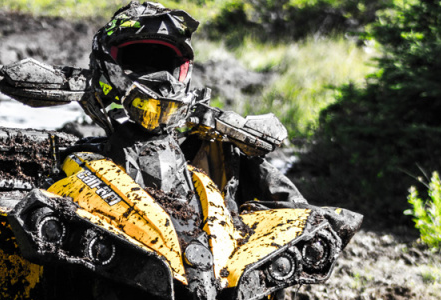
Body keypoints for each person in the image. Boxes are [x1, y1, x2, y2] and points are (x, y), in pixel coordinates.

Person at [80, 1, 306, 211]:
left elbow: (301, 216)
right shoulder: (76, 156)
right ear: (108, 65)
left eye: (162, 64)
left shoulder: (217, 147)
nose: (160, 78)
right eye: (137, 61)